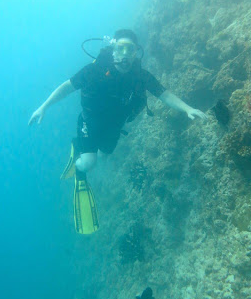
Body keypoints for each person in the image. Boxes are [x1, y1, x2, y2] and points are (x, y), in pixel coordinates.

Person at [29, 29, 207, 234]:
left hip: (114, 128)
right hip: (89, 123)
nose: (124, 54)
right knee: (89, 163)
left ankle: (80, 148)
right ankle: (79, 167)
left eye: (129, 49)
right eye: (120, 48)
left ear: (135, 52)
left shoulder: (140, 77)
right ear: (113, 50)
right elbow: (66, 87)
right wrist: (44, 106)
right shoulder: (93, 71)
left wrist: (187, 109)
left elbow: (164, 94)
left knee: (104, 155)